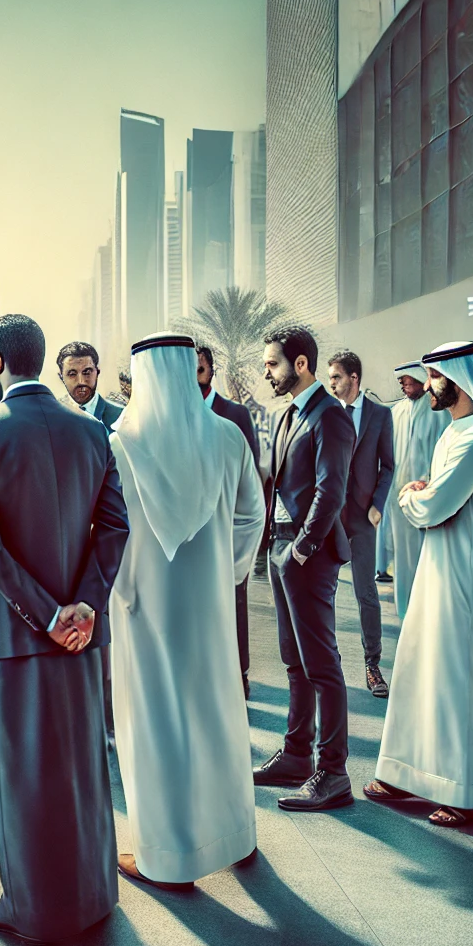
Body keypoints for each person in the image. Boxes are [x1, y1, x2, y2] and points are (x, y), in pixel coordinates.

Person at [0, 313, 129, 945]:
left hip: (15, 635)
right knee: (83, 769)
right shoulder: (92, 430)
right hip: (82, 638)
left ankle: (31, 911)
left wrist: (47, 615)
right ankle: (93, 896)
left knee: (23, 777)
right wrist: (82, 606)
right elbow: (115, 527)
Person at [109, 334, 266, 891]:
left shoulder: (121, 443)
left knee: (156, 724)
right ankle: (234, 836)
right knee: (218, 715)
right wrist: (227, 574)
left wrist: (122, 590)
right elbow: (253, 515)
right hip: (211, 609)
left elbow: (106, 532)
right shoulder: (227, 436)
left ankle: (167, 857)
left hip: (144, 609)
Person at [366, 340, 473, 827]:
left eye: (435, 377)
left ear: (460, 381)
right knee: (421, 668)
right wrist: (424, 494)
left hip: (468, 576)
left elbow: (433, 504)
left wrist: (412, 497)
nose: (429, 385)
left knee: (462, 679)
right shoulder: (456, 431)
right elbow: (435, 496)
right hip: (440, 566)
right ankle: (408, 773)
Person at [251, 324, 357, 812]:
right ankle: (296, 755)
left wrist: (302, 549)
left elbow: (331, 490)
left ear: (300, 364)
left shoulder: (331, 416)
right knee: (294, 661)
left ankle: (333, 773)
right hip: (281, 548)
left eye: (272, 364)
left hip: (306, 555)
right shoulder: (289, 414)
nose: (266, 373)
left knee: (321, 665)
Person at [326, 351, 394, 698]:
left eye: (336, 377)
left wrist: (378, 505)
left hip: (364, 517)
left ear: (354, 378)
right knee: (325, 592)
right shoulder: (326, 412)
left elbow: (389, 466)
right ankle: (328, 664)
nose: (331, 383)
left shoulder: (380, 415)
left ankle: (373, 665)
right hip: (329, 518)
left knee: (366, 593)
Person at [197, 343, 262, 698]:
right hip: (194, 531)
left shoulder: (235, 414)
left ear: (212, 370)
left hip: (231, 527)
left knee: (236, 600)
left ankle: (240, 673)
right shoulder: (178, 415)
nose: (195, 378)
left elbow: (250, 477)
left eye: (200, 370)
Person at [386, 361, 449, 621]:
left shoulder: (438, 411)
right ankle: (406, 611)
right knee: (403, 556)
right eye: (400, 382)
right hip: (399, 496)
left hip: (430, 495)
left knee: (431, 555)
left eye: (406, 381)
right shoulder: (396, 412)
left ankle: (430, 613)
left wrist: (430, 482)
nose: (403, 385)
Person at [57, 340, 124, 428]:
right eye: (72, 374)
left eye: (87, 372)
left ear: (97, 372)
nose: (81, 381)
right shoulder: (52, 415)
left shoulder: (120, 417)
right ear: (61, 377)